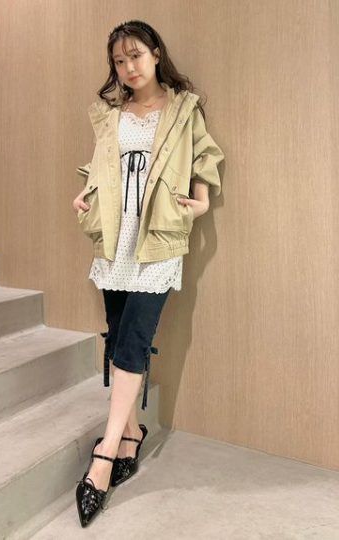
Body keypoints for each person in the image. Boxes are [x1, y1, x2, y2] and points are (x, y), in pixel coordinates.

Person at [72, 19, 225, 527]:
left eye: (135, 56)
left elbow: (205, 155)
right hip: (115, 237)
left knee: (136, 337)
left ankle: (106, 451)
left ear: (156, 53)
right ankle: (133, 431)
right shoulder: (111, 115)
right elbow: (100, 166)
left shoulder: (182, 109)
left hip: (157, 237)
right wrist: (84, 194)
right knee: (118, 333)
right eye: (119, 61)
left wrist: (201, 201)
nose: (128, 68)